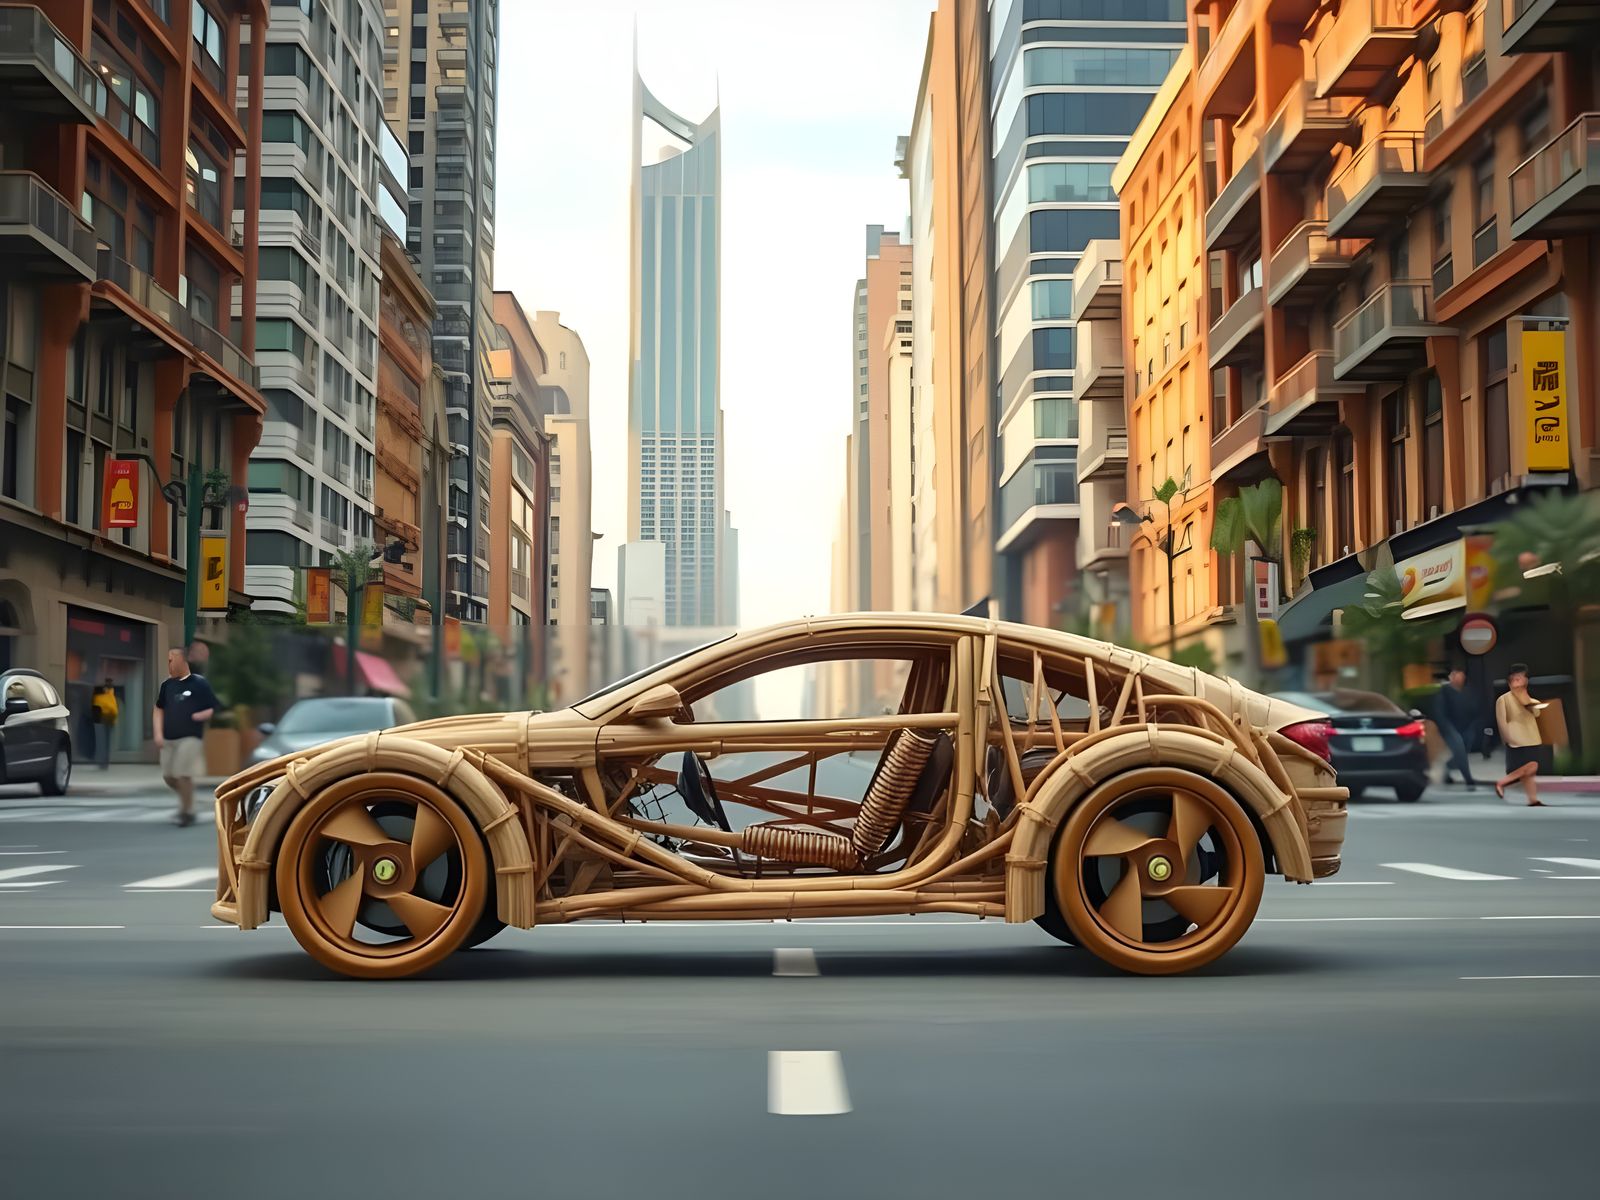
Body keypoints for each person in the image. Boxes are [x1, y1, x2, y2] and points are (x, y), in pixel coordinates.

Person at [154, 646, 217, 827]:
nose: (169, 663)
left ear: (182, 660)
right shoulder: (167, 685)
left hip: (190, 736)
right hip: (168, 737)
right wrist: (158, 733)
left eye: (171, 659)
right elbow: (159, 709)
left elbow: (211, 708)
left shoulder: (199, 683)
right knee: (169, 776)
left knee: (182, 774)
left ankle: (187, 812)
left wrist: (200, 716)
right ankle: (189, 799)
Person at [1494, 663, 1548, 807]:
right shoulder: (1503, 699)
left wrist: (1525, 699)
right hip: (1516, 740)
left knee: (1530, 773)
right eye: (1515, 678)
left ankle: (1533, 799)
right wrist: (1506, 738)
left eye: (1522, 678)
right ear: (1509, 681)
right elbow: (1502, 721)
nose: (1519, 681)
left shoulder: (1529, 699)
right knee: (1531, 766)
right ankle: (1502, 783)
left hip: (1532, 738)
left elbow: (1537, 712)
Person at [1433, 667, 1480, 788]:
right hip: (1450, 728)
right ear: (1451, 677)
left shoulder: (1468, 692)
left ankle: (1447, 769)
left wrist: (1473, 726)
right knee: (1460, 750)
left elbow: (1475, 709)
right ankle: (1468, 779)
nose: (1459, 677)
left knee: (1462, 752)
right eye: (1456, 675)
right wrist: (1445, 727)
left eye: (1461, 675)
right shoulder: (1444, 691)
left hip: (1466, 728)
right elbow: (1440, 712)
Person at [90, 680, 119, 770]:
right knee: (104, 740)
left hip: (102, 716)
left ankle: (103, 762)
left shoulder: (102, 690)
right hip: (106, 716)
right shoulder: (109, 691)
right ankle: (104, 762)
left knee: (102, 740)